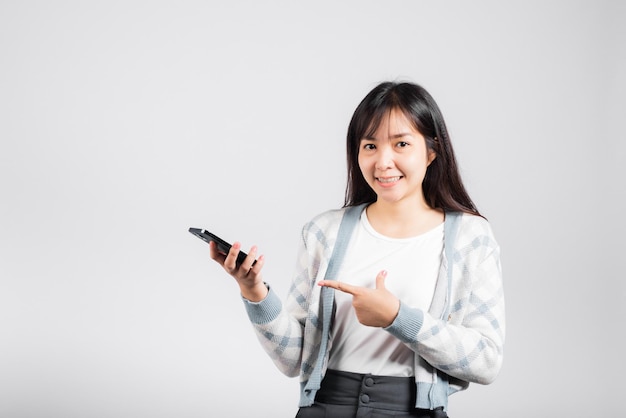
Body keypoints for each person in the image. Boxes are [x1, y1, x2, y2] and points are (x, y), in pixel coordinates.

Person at [209, 81, 505, 417]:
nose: (383, 162)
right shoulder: (324, 232)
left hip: (411, 410)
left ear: (432, 150)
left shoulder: (470, 237)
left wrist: (398, 318)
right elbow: (294, 361)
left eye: (402, 144)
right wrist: (254, 291)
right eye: (370, 146)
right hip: (324, 406)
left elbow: (486, 361)